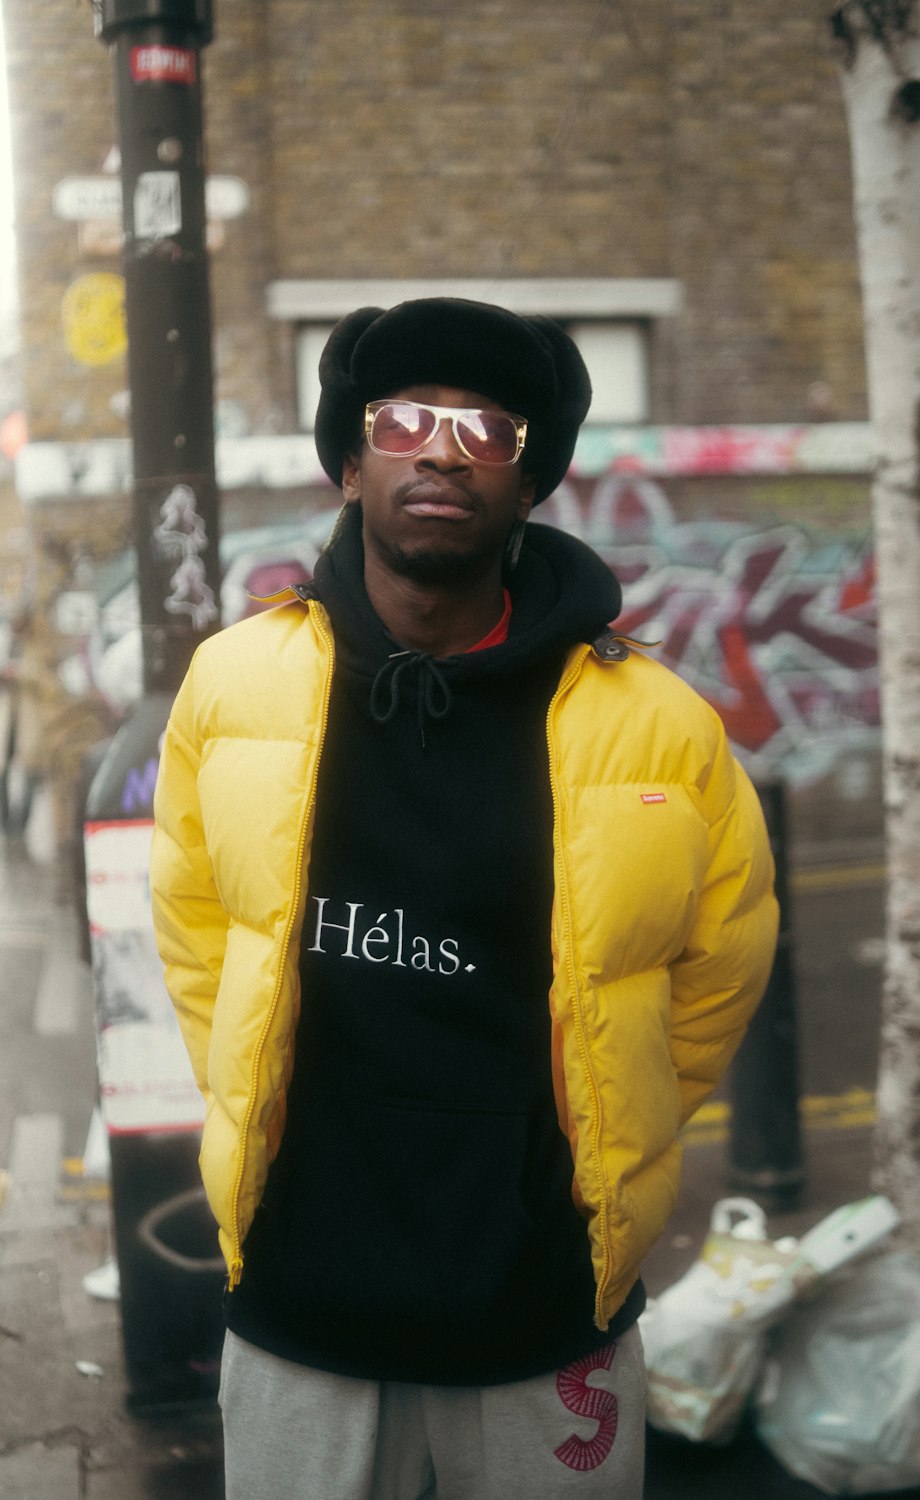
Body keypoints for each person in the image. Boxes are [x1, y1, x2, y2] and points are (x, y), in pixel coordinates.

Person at [150, 298, 779, 1500]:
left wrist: (603, 1146)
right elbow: (194, 929)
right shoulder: (230, 686)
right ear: (350, 461)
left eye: (489, 429)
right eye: (405, 420)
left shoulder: (655, 724)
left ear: (530, 480)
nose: (444, 449)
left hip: (544, 1310)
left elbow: (718, 964)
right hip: (299, 1302)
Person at [0, 601, 45, 848]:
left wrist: (21, 673)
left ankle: (20, 825)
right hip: (1, 716)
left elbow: (45, 676)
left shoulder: (38, 640)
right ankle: (5, 826)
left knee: (31, 772)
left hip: (29, 717)